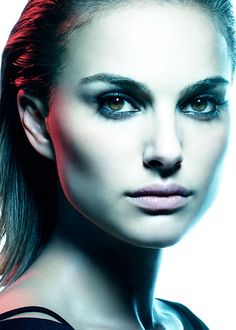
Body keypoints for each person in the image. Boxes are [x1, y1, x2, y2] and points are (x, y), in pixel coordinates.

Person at [0, 0, 235, 329]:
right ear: (39, 122)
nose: (166, 151)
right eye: (117, 102)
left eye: (200, 103)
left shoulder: (182, 321)